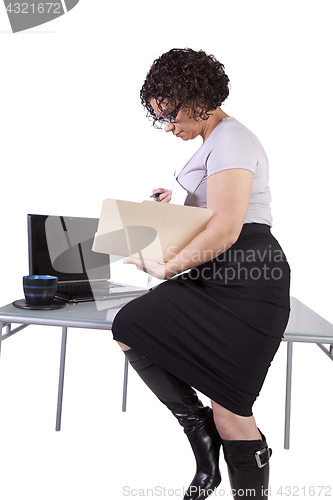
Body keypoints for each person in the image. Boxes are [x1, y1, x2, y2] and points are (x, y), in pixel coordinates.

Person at [112, 48, 291, 500]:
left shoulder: (231, 139)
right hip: (216, 272)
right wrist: (171, 212)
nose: (168, 126)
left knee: (232, 413)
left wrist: (162, 266)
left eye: (168, 114)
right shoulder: (212, 144)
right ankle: (202, 437)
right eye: (159, 119)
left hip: (248, 276)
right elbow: (213, 216)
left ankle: (237, 474)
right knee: (130, 325)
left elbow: (229, 229)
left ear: (195, 98)